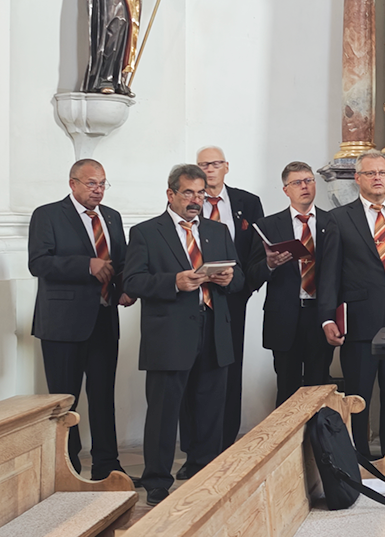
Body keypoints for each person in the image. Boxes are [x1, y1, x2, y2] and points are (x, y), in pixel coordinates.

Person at [123, 164, 242, 505]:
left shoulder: (218, 232)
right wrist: (173, 282)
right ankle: (157, 480)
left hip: (214, 332)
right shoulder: (147, 232)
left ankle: (204, 472)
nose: (195, 200)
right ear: (170, 194)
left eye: (201, 193)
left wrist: (228, 279)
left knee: (210, 410)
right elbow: (132, 282)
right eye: (188, 193)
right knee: (163, 412)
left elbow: (241, 279)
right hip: (170, 335)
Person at [27, 159, 136, 483]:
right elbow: (38, 263)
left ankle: (107, 464)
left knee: (103, 396)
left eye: (102, 183)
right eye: (91, 184)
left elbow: (122, 261)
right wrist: (85, 264)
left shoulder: (112, 218)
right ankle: (67, 466)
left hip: (104, 319)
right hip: (62, 325)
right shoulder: (47, 215)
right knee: (65, 400)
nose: (98, 190)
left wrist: (126, 288)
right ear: (72, 183)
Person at [320, 150, 385, 459]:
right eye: (371, 173)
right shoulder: (339, 218)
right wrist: (326, 318)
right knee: (358, 398)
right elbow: (329, 273)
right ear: (358, 178)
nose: (378, 178)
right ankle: (358, 461)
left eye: (383, 173)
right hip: (361, 325)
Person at [187, 147, 263, 456]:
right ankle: (195, 448)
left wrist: (244, 287)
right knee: (194, 370)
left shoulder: (248, 202)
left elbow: (258, 250)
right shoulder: (189, 201)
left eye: (216, 163)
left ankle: (226, 443)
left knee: (230, 369)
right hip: (194, 298)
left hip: (233, 298)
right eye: (204, 164)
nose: (210, 169)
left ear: (226, 167)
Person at [247, 162, 334, 406]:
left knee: (319, 387)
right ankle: (288, 444)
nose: (304, 186)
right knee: (287, 387)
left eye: (309, 180)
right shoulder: (268, 226)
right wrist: (270, 264)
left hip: (321, 316)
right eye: (297, 182)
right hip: (284, 318)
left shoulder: (332, 222)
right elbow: (251, 275)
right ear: (286, 190)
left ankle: (319, 443)